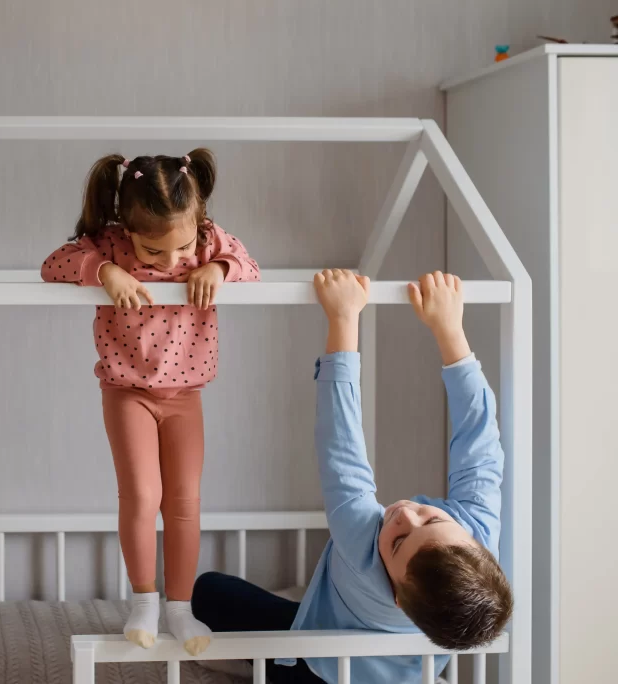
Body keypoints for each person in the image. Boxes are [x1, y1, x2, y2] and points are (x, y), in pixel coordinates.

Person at [192, 269, 513, 683]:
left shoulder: (362, 547)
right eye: (430, 519)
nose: (404, 515)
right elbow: (480, 443)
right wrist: (451, 332)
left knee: (208, 592)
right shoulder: (477, 534)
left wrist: (343, 321)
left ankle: (257, 661)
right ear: (477, 543)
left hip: (322, 671)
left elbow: (340, 446)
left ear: (396, 597)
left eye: (398, 542)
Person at [42, 150, 260, 655]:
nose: (170, 263)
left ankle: (180, 610)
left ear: (199, 222)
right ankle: (143, 601)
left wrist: (221, 268)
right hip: (127, 392)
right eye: (153, 252)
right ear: (126, 228)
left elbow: (251, 265)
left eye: (180, 248)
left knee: (184, 502)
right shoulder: (111, 245)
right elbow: (53, 264)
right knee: (142, 497)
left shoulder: (208, 241)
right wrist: (104, 272)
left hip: (186, 394)